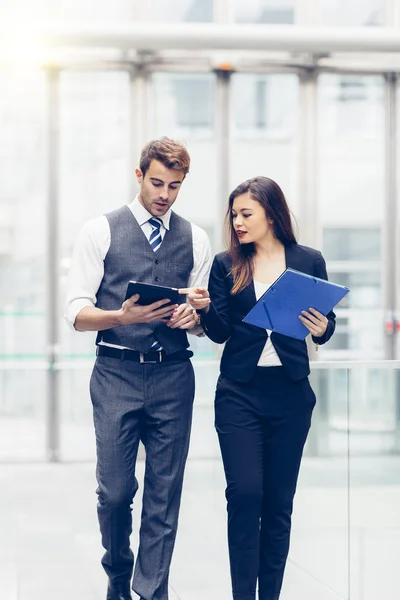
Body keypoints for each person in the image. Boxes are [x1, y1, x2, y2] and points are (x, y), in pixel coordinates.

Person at [65, 137, 211, 600]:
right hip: (115, 373)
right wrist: (120, 317)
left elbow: (203, 318)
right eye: (156, 182)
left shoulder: (197, 238)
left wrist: (195, 320)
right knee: (114, 492)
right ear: (138, 175)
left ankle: (151, 592)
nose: (165, 194)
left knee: (164, 495)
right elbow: (75, 313)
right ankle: (118, 572)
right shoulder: (100, 231)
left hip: (173, 375)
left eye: (175, 185)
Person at [188, 176, 336, 600]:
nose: (237, 221)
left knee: (278, 502)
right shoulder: (225, 264)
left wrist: (324, 328)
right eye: (233, 214)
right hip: (239, 393)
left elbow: (325, 327)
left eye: (246, 213)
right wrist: (204, 310)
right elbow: (218, 333)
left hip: (290, 395)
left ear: (271, 214)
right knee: (245, 492)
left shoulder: (309, 260)